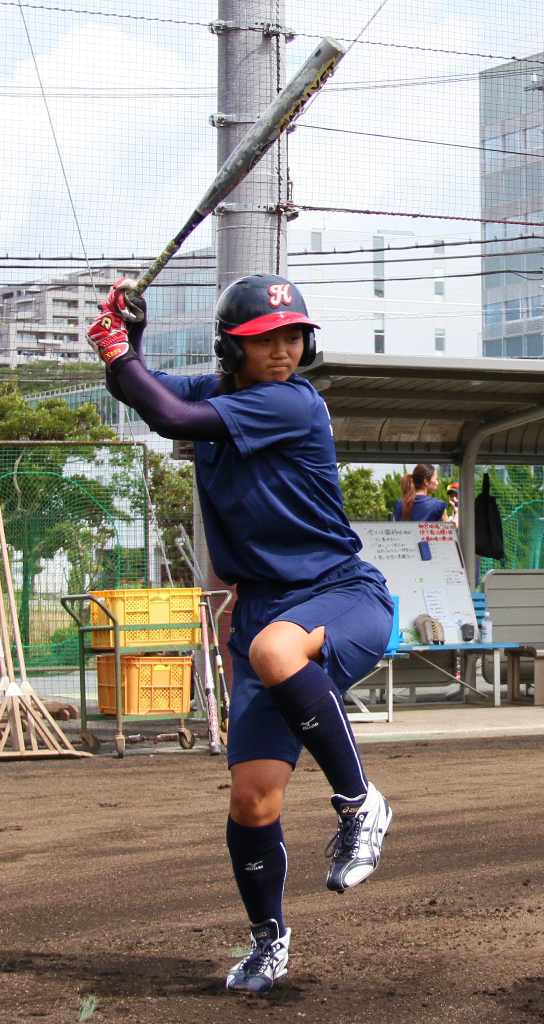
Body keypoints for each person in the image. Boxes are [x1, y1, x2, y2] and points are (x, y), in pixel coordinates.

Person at [87, 273, 394, 995]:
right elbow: (144, 391)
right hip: (259, 609)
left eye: (293, 335)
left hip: (336, 593)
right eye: (265, 339)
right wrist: (124, 340)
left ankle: (360, 804)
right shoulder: (214, 391)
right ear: (233, 346)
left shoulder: (292, 402)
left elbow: (166, 416)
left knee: (275, 650)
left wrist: (117, 353)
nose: (283, 350)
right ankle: (269, 941)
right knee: (253, 800)